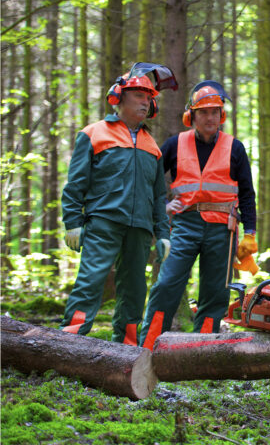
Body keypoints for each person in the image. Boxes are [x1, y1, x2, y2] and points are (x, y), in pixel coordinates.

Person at [60, 62, 177, 344]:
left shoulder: (152, 145)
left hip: (139, 228)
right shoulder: (94, 133)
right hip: (104, 223)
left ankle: (125, 347)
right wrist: (73, 223)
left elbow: (159, 196)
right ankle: (68, 342)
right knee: (90, 282)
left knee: (135, 290)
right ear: (119, 97)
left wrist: (162, 234)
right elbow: (76, 183)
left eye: (149, 97)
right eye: (139, 95)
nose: (145, 101)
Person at [139, 80, 258, 350]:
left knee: (215, 293)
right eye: (204, 112)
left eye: (215, 112)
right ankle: (147, 347)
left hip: (223, 228)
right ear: (191, 116)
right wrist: (161, 209)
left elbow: (248, 194)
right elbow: (154, 182)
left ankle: (200, 351)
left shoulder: (234, 147)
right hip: (184, 224)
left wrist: (250, 233)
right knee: (167, 283)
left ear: (222, 116)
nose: (210, 117)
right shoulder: (174, 144)